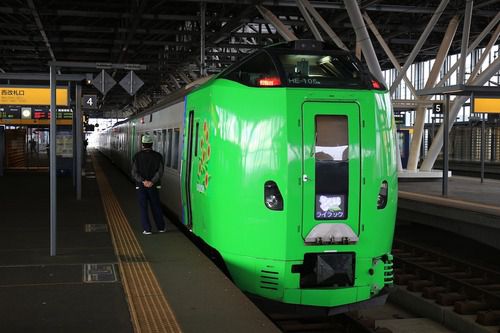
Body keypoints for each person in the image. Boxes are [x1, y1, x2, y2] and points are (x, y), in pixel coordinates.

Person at [131, 134, 166, 235]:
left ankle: (147, 229)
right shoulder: (158, 156)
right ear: (152, 144)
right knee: (156, 206)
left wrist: (143, 181)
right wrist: (151, 182)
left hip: (141, 186)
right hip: (154, 186)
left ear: (142, 144)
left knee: (143, 208)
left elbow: (134, 172)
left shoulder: (136, 156)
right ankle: (161, 227)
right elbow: (160, 172)